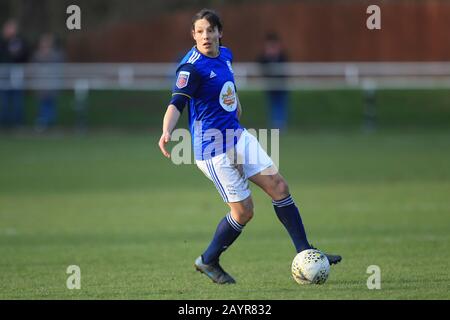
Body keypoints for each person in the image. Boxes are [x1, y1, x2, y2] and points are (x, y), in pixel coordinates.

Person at [158, 9, 341, 284]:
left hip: (237, 136)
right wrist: (166, 131)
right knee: (244, 211)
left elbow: (227, 87)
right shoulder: (191, 68)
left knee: (279, 187)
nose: (205, 36)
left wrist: (236, 107)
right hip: (212, 149)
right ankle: (208, 260)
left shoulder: (225, 55)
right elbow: (177, 103)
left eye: (210, 30)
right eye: (199, 32)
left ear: (220, 32)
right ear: (193, 35)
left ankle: (306, 252)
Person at [32, 33, 65, 132]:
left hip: (52, 85)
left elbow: (61, 65)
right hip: (42, 85)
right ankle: (43, 123)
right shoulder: (37, 55)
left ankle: (49, 124)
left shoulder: (56, 55)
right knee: (43, 105)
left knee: (51, 105)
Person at [0, 19, 29, 129]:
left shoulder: (20, 41)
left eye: (11, 28)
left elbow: (24, 55)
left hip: (16, 72)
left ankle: (18, 123)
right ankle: (4, 124)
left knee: (17, 99)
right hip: (3, 73)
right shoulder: (2, 42)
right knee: (4, 100)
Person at [258, 32, 289, 132]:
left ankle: (280, 126)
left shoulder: (282, 57)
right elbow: (259, 68)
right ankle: (274, 126)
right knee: (272, 107)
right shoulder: (263, 58)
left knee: (280, 106)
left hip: (281, 88)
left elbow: (285, 71)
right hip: (270, 88)